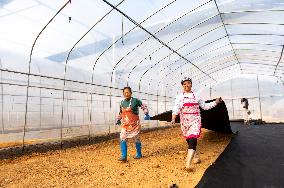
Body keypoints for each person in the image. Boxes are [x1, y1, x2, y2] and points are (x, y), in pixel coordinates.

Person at [171, 77, 222, 170]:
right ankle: (196, 156)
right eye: (184, 84)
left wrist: (216, 102)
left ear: (191, 84)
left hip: (195, 120)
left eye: (188, 83)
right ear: (182, 85)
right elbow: (176, 108)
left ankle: (187, 164)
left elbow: (205, 106)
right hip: (185, 122)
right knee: (189, 141)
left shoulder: (196, 95)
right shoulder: (179, 97)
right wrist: (173, 117)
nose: (187, 85)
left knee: (193, 139)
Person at [116, 86, 150, 162]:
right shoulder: (122, 102)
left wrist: (146, 113)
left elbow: (143, 106)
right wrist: (118, 119)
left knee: (136, 138)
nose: (126, 94)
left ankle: (139, 154)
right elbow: (121, 112)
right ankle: (124, 156)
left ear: (131, 93)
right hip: (125, 125)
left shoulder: (135, 101)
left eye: (128, 92)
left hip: (135, 124)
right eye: (124, 92)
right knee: (122, 137)